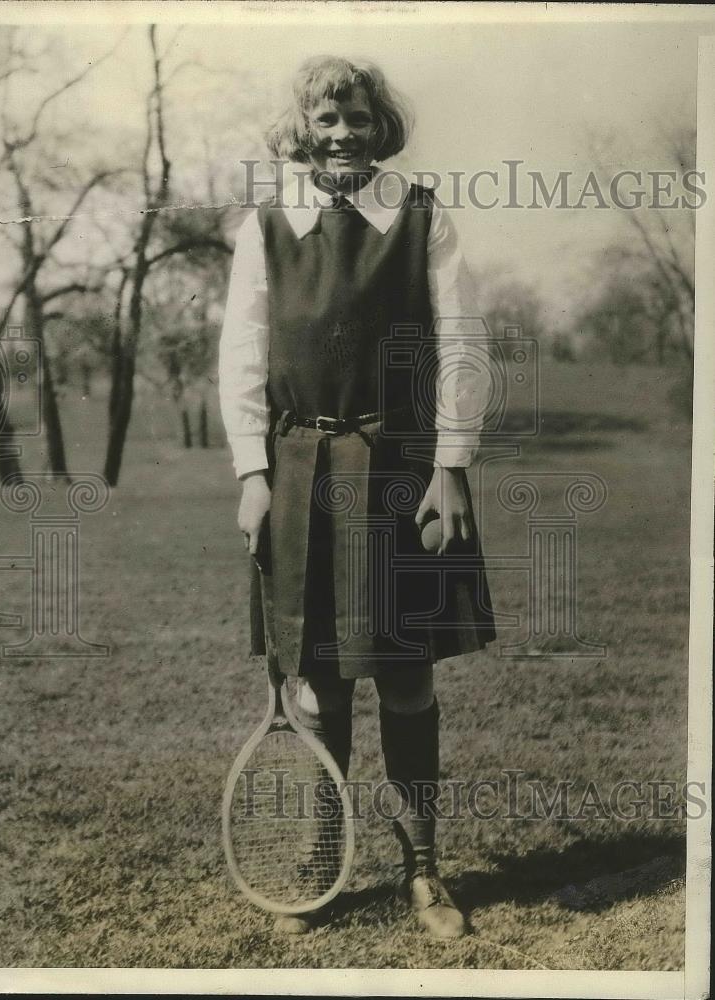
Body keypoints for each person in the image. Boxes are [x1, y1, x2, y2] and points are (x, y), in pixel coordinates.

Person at [219, 55, 496, 939]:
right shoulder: (264, 225)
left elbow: (461, 341)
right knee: (320, 688)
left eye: (359, 120)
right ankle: (324, 865)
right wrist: (252, 476)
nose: (343, 136)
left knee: (406, 679)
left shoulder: (422, 217)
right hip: (298, 473)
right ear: (303, 129)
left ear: (383, 128)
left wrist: (450, 466)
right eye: (326, 121)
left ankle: (424, 872)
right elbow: (242, 356)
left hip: (402, 474)